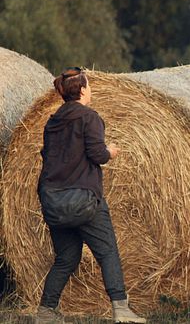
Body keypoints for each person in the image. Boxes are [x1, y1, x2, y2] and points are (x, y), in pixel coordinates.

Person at [35, 67, 146, 324]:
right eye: (89, 85)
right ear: (83, 90)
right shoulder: (89, 117)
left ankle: (46, 311)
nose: (91, 89)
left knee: (66, 258)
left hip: (53, 201)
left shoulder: (52, 122)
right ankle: (121, 309)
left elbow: (51, 156)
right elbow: (97, 154)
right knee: (107, 251)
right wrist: (111, 151)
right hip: (83, 199)